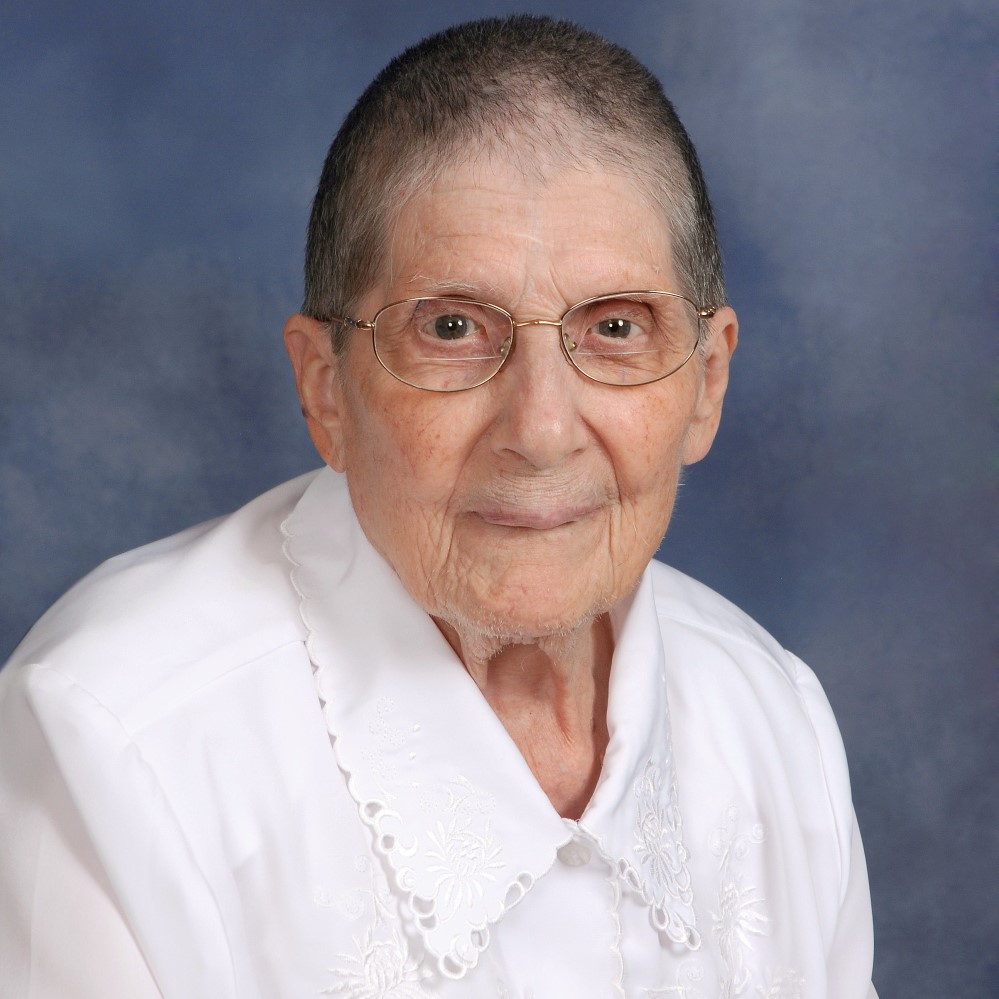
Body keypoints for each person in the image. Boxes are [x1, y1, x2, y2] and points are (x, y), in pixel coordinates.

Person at [0, 15, 877, 999]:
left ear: (707, 383)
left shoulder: (775, 720)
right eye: (453, 328)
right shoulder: (114, 747)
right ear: (326, 386)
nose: (541, 428)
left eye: (616, 327)